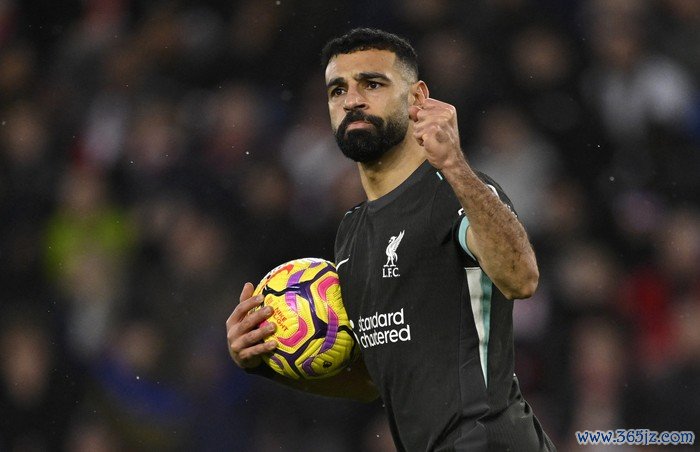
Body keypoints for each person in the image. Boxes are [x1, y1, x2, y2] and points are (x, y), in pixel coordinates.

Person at [226, 28, 555, 451]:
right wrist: (266, 359)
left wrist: (455, 165)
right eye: (337, 90)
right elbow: (373, 382)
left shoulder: (454, 191)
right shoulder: (352, 232)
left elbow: (521, 278)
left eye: (373, 84)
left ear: (418, 98)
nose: (352, 100)